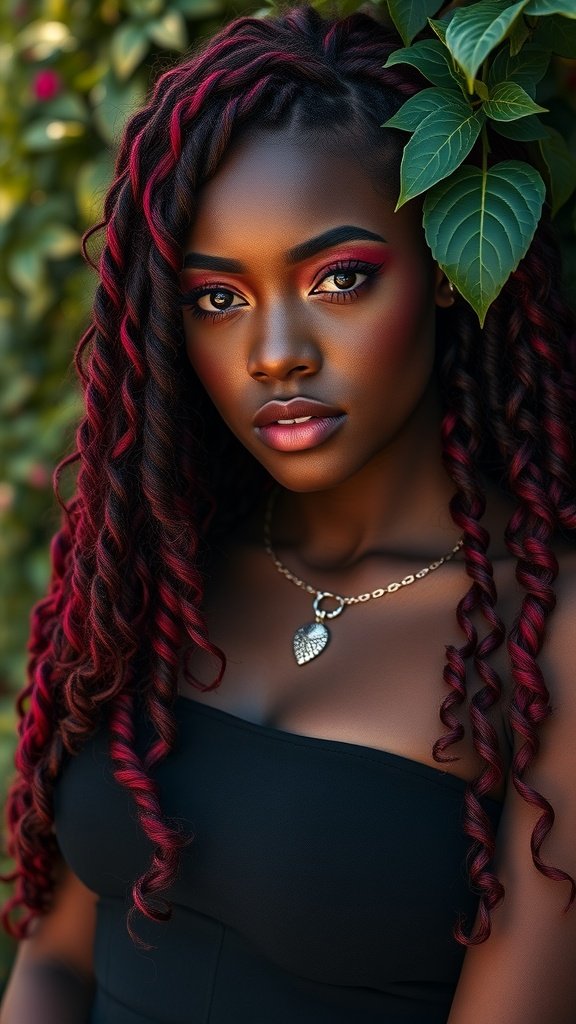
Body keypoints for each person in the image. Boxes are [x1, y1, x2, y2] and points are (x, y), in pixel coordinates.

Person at [2, 4, 576, 1022]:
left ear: (450, 266)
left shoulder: (544, 635)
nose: (275, 355)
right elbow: (52, 965)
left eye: (338, 279)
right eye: (218, 298)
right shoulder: (161, 565)